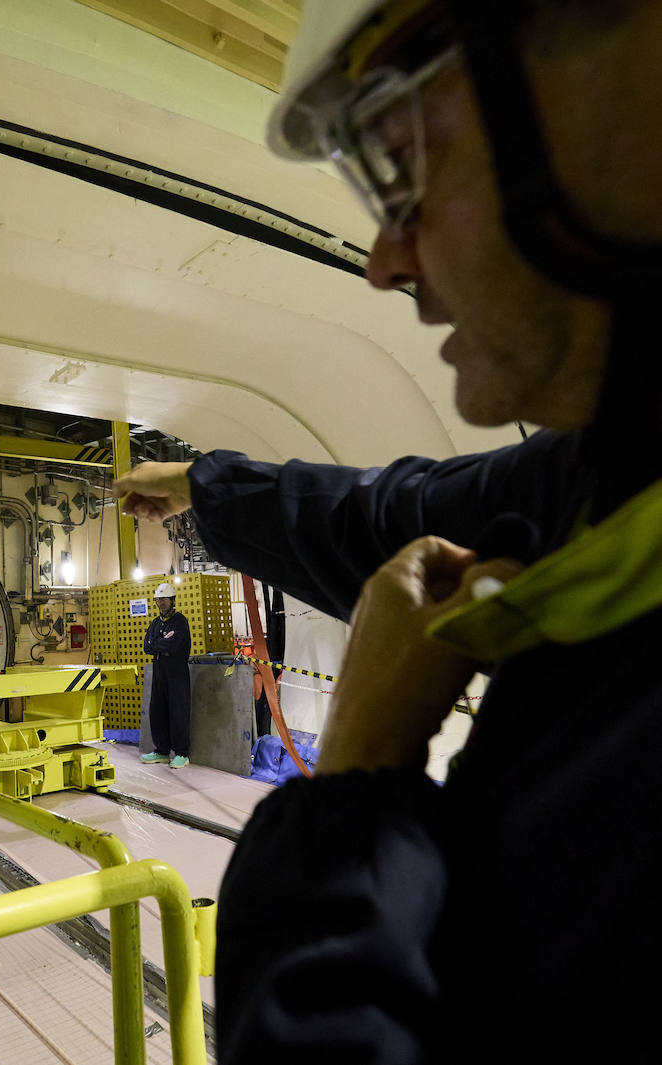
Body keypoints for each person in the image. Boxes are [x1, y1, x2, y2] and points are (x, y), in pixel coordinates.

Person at [113, 0, 662, 1060]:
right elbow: (388, 515)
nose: (385, 260)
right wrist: (208, 490)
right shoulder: (614, 480)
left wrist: (358, 780)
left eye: (403, 161)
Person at [141, 583, 192, 768]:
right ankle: (161, 751)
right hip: (159, 671)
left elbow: (172, 645)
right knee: (158, 711)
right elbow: (147, 646)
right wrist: (160, 643)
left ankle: (182, 753)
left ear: (172, 601)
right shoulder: (155, 623)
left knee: (178, 712)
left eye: (164, 600)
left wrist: (159, 644)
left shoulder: (179, 622)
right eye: (158, 600)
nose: (161, 603)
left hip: (176, 672)